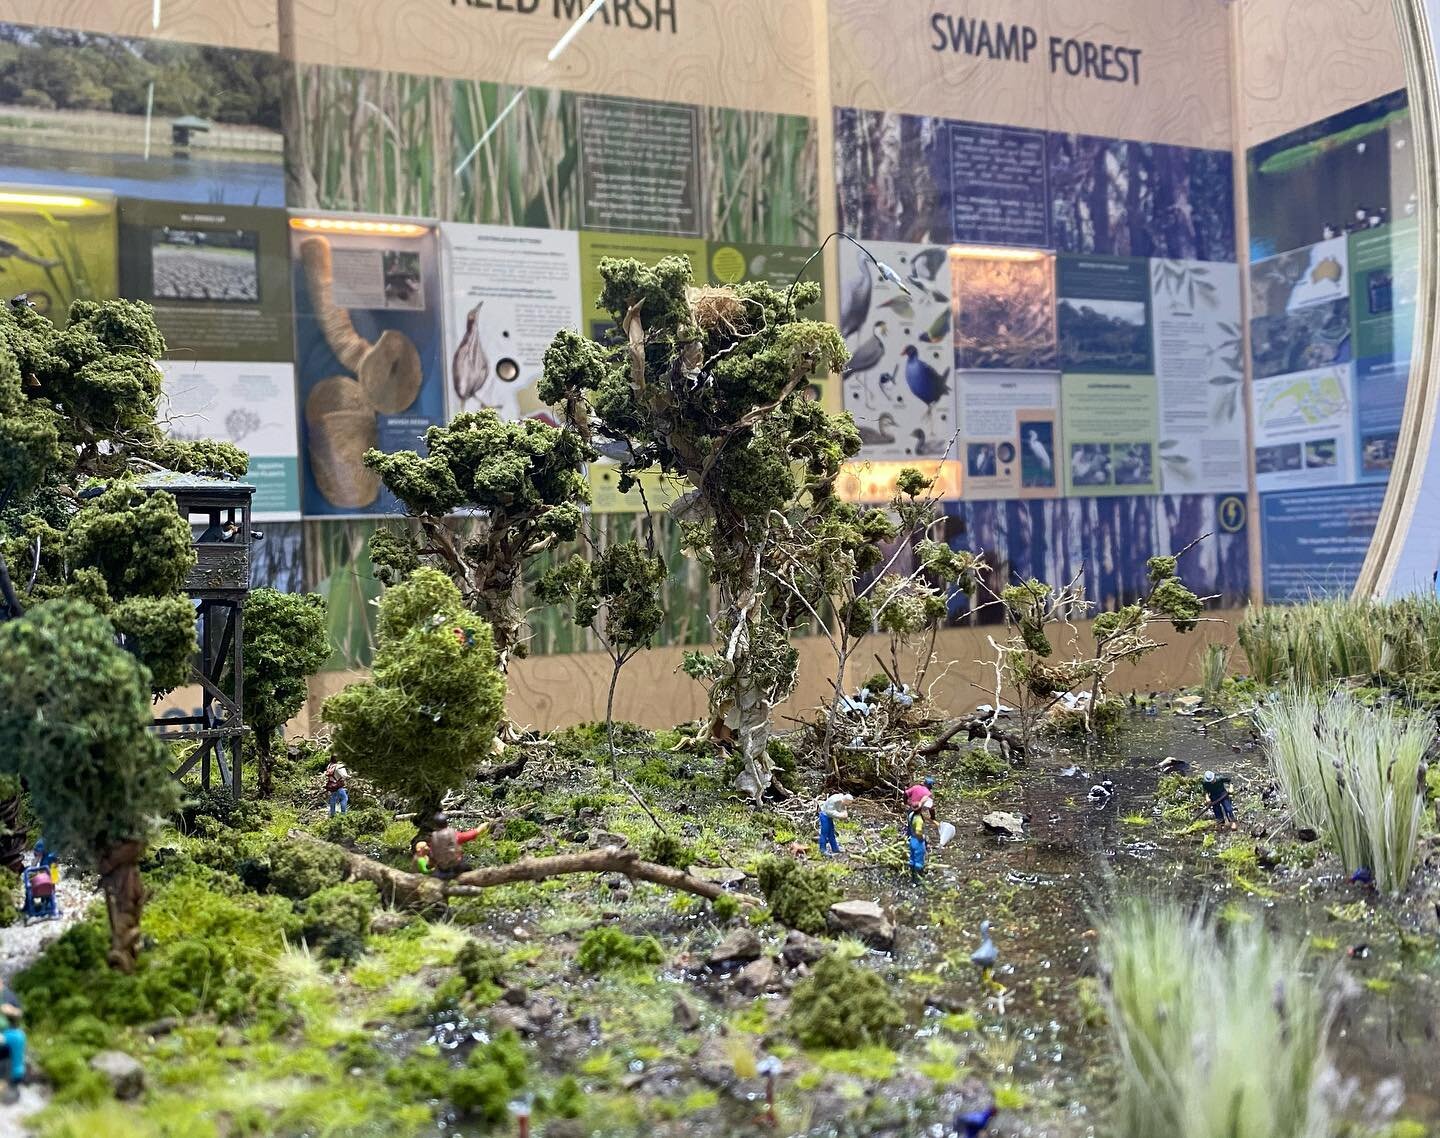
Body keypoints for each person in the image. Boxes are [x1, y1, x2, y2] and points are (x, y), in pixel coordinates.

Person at [427, 812, 487, 876]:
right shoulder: (453, 834)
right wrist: (482, 826)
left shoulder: (433, 837)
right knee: (469, 870)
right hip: (456, 866)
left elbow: (432, 855)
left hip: (441, 868)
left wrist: (430, 864)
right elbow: (471, 834)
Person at [0, 995, 24, 1104]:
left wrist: (11, 1011)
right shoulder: (19, 1034)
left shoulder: (8, 995)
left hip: (6, 1032)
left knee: (18, 1037)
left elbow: (19, 1012)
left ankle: (12, 1081)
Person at [905, 798, 929, 885]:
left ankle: (911, 877)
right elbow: (918, 831)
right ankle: (918, 880)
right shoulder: (918, 819)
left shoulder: (911, 815)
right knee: (919, 859)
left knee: (912, 858)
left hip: (911, 839)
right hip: (917, 840)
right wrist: (922, 837)